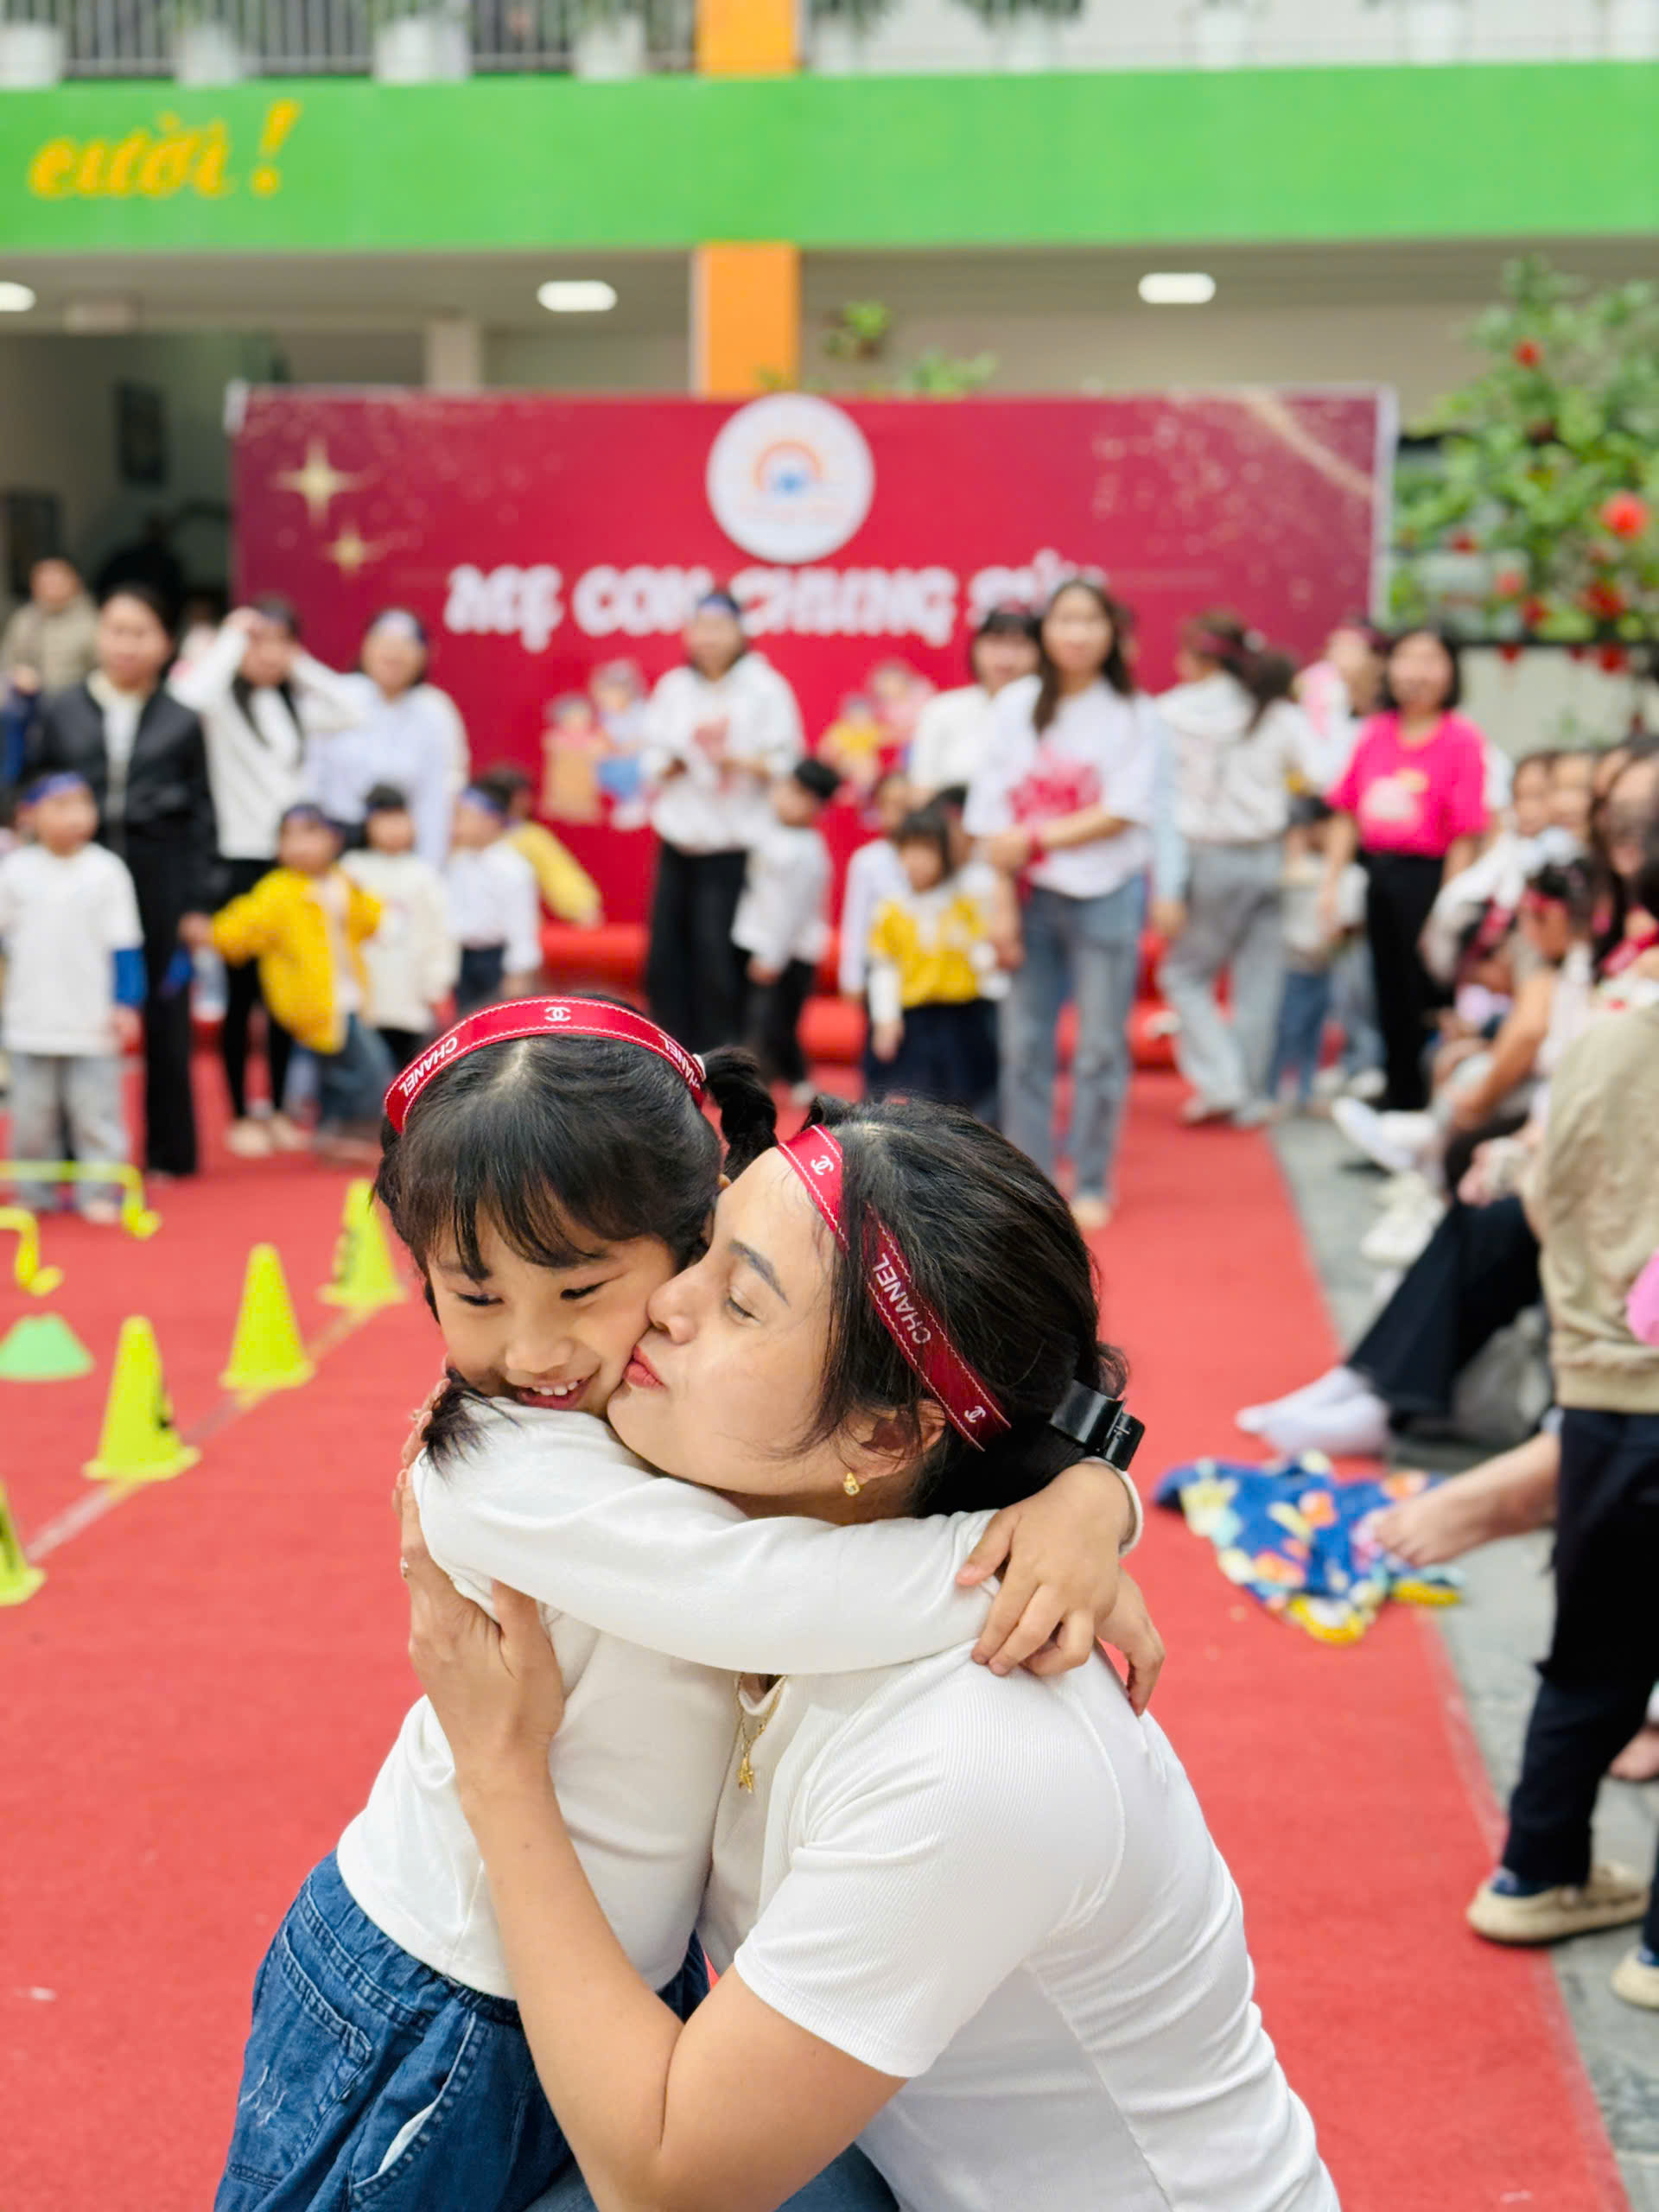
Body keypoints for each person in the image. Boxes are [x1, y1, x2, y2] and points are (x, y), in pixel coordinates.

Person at [215, 1002, 1152, 2212]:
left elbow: (892, 1459)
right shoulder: (498, 1467)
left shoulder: (659, 1404)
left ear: (692, 1236)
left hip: (608, 1975)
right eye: (474, 1297)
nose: (535, 1351)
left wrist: (1087, 1497)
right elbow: (753, 1591)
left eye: (581, 1287)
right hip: (440, 1989)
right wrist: (1019, 1551)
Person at [397, 1095, 1338, 2212]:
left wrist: (499, 1770)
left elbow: (662, 2181)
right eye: (701, 1249)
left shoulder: (976, 1747)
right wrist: (1095, 1493)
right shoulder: (767, 1530)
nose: (664, 1302)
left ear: (886, 1432)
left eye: (738, 1300)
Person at [1465, 849, 1659, 2014]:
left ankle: (1535, 1870)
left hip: (1598, 1389)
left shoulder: (1607, 1024)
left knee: (1591, 1650)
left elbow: (1545, 1193)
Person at [964, 579, 1163, 1231]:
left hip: (1106, 895)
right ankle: (1033, 1182)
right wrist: (1001, 903)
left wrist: (1035, 839)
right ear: (1045, 631)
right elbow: (990, 815)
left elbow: (1124, 808)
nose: (1077, 633)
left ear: (1112, 633)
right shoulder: (1015, 705)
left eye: (1090, 620)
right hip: (1027, 895)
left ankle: (1094, 1178)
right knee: (1023, 1045)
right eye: (1065, 620)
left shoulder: (1133, 711)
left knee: (1100, 1045)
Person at [29, 584, 218, 1179]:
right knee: (71, 1009)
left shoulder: (182, 720)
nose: (125, 645)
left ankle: (170, 1154)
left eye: (140, 633)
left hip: (159, 880)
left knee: (164, 1015)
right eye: (115, 630)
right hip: (75, 878)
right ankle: (68, 1157)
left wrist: (197, 902)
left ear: (165, 642)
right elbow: (31, 788)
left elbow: (202, 816)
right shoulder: (63, 709)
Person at [169, 600, 367, 1157]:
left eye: (282, 641)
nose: (269, 654)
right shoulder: (221, 705)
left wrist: (295, 662)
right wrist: (233, 639)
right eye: (261, 642)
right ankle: (240, 1113)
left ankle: (279, 1107)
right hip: (238, 861)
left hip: (293, 862)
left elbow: (353, 708)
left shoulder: (294, 702)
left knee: (285, 992)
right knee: (240, 995)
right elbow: (188, 696)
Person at [1155, 611, 1324, 1127]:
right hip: (1270, 858)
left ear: (1201, 657)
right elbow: (1322, 775)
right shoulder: (1277, 711)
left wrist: (1168, 886)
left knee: (1184, 975)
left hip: (1211, 858)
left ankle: (1223, 1083)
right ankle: (1248, 1096)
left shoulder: (1172, 712)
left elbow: (1162, 807)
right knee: (1259, 985)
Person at [1319, 631, 1489, 1113]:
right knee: (1386, 988)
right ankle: (1397, 1096)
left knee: (1427, 993)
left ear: (1451, 671)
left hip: (1431, 878)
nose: (1416, 672)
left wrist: (1447, 907)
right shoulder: (1375, 732)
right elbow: (1345, 811)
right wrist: (1330, 883)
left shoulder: (1461, 738)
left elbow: (1466, 832)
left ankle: (1428, 1104)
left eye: (1430, 660)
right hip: (1379, 874)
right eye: (1406, 659)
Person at [643, 589, 804, 1052]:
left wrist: (738, 760)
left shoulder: (766, 688)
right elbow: (649, 757)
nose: (708, 638)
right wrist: (675, 762)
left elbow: (788, 762)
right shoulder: (674, 687)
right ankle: (667, 1057)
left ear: (740, 632)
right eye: (700, 627)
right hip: (678, 843)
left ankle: (721, 1061)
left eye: (719, 627)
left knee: (719, 963)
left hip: (735, 849)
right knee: (666, 960)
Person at [0, 771, 143, 1224]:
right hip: (30, 1020)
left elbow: (125, 945)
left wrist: (126, 1003)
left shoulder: (107, 870)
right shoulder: (15, 871)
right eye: (60, 806)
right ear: (30, 815)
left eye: (83, 804)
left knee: (96, 1114)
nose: (74, 816)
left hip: (91, 1021)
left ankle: (99, 1191)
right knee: (31, 1117)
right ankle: (33, 1191)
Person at [207, 804, 391, 1154]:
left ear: (334, 840)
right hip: (313, 1002)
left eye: (310, 835)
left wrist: (367, 902)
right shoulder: (277, 889)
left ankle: (333, 1131)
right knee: (370, 1064)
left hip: (349, 994)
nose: (300, 846)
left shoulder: (342, 881)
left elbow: (368, 923)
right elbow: (237, 931)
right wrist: (215, 932)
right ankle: (349, 1131)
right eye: (288, 837)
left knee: (337, 1073)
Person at [866, 801, 1001, 1118]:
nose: (917, 861)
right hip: (916, 1019)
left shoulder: (964, 904)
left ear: (945, 855)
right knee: (917, 1098)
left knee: (965, 1098)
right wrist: (885, 1018)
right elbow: (884, 968)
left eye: (927, 850)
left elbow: (984, 955)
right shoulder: (891, 910)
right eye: (909, 850)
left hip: (961, 1017)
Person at [302, 609, 466, 867]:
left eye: (405, 646)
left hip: (399, 848)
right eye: (385, 643)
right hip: (336, 840)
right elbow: (311, 775)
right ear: (366, 647)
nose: (394, 654)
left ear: (424, 655)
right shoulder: (337, 695)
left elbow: (438, 797)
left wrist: (430, 865)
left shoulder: (434, 710)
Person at [733, 758, 840, 1096]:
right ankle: (789, 1078)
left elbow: (789, 913)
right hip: (759, 940)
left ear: (814, 804)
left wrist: (772, 957)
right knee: (769, 1019)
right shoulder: (772, 832)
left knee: (774, 1021)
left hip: (789, 953)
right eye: (783, 789)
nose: (780, 797)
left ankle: (780, 1080)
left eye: (793, 793)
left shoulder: (807, 853)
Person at [340, 783, 457, 1071]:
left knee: (406, 1064)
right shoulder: (351, 869)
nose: (393, 828)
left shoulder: (423, 874)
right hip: (363, 988)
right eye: (384, 820)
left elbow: (441, 933)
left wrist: (437, 983)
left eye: (400, 819)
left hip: (411, 988)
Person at [1268, 798, 1358, 1114]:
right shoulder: (1290, 869)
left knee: (1315, 1029)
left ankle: (1305, 1089)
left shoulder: (1342, 874)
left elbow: (1350, 924)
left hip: (1324, 964)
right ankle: (1274, 1088)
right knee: (1287, 1027)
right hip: (1291, 963)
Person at [906, 604, 1040, 801]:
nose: (1006, 658)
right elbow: (921, 790)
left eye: (1019, 645)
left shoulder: (1051, 711)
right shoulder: (941, 710)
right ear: (976, 648)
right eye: (995, 643)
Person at [445, 785, 544, 1015]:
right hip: (462, 957)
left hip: (495, 960)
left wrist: (518, 974)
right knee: (465, 1020)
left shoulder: (513, 867)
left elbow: (522, 926)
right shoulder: (457, 862)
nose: (455, 825)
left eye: (464, 817)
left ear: (491, 820)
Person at [473, 762, 602, 927]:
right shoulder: (462, 839)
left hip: (514, 925)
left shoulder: (530, 837)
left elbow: (560, 875)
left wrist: (581, 908)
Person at [0, 556, 99, 700]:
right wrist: (17, 676)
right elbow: (7, 662)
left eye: (56, 581)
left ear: (74, 582)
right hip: (27, 700)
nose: (50, 588)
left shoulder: (92, 623)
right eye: (43, 582)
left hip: (74, 701)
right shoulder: (24, 619)